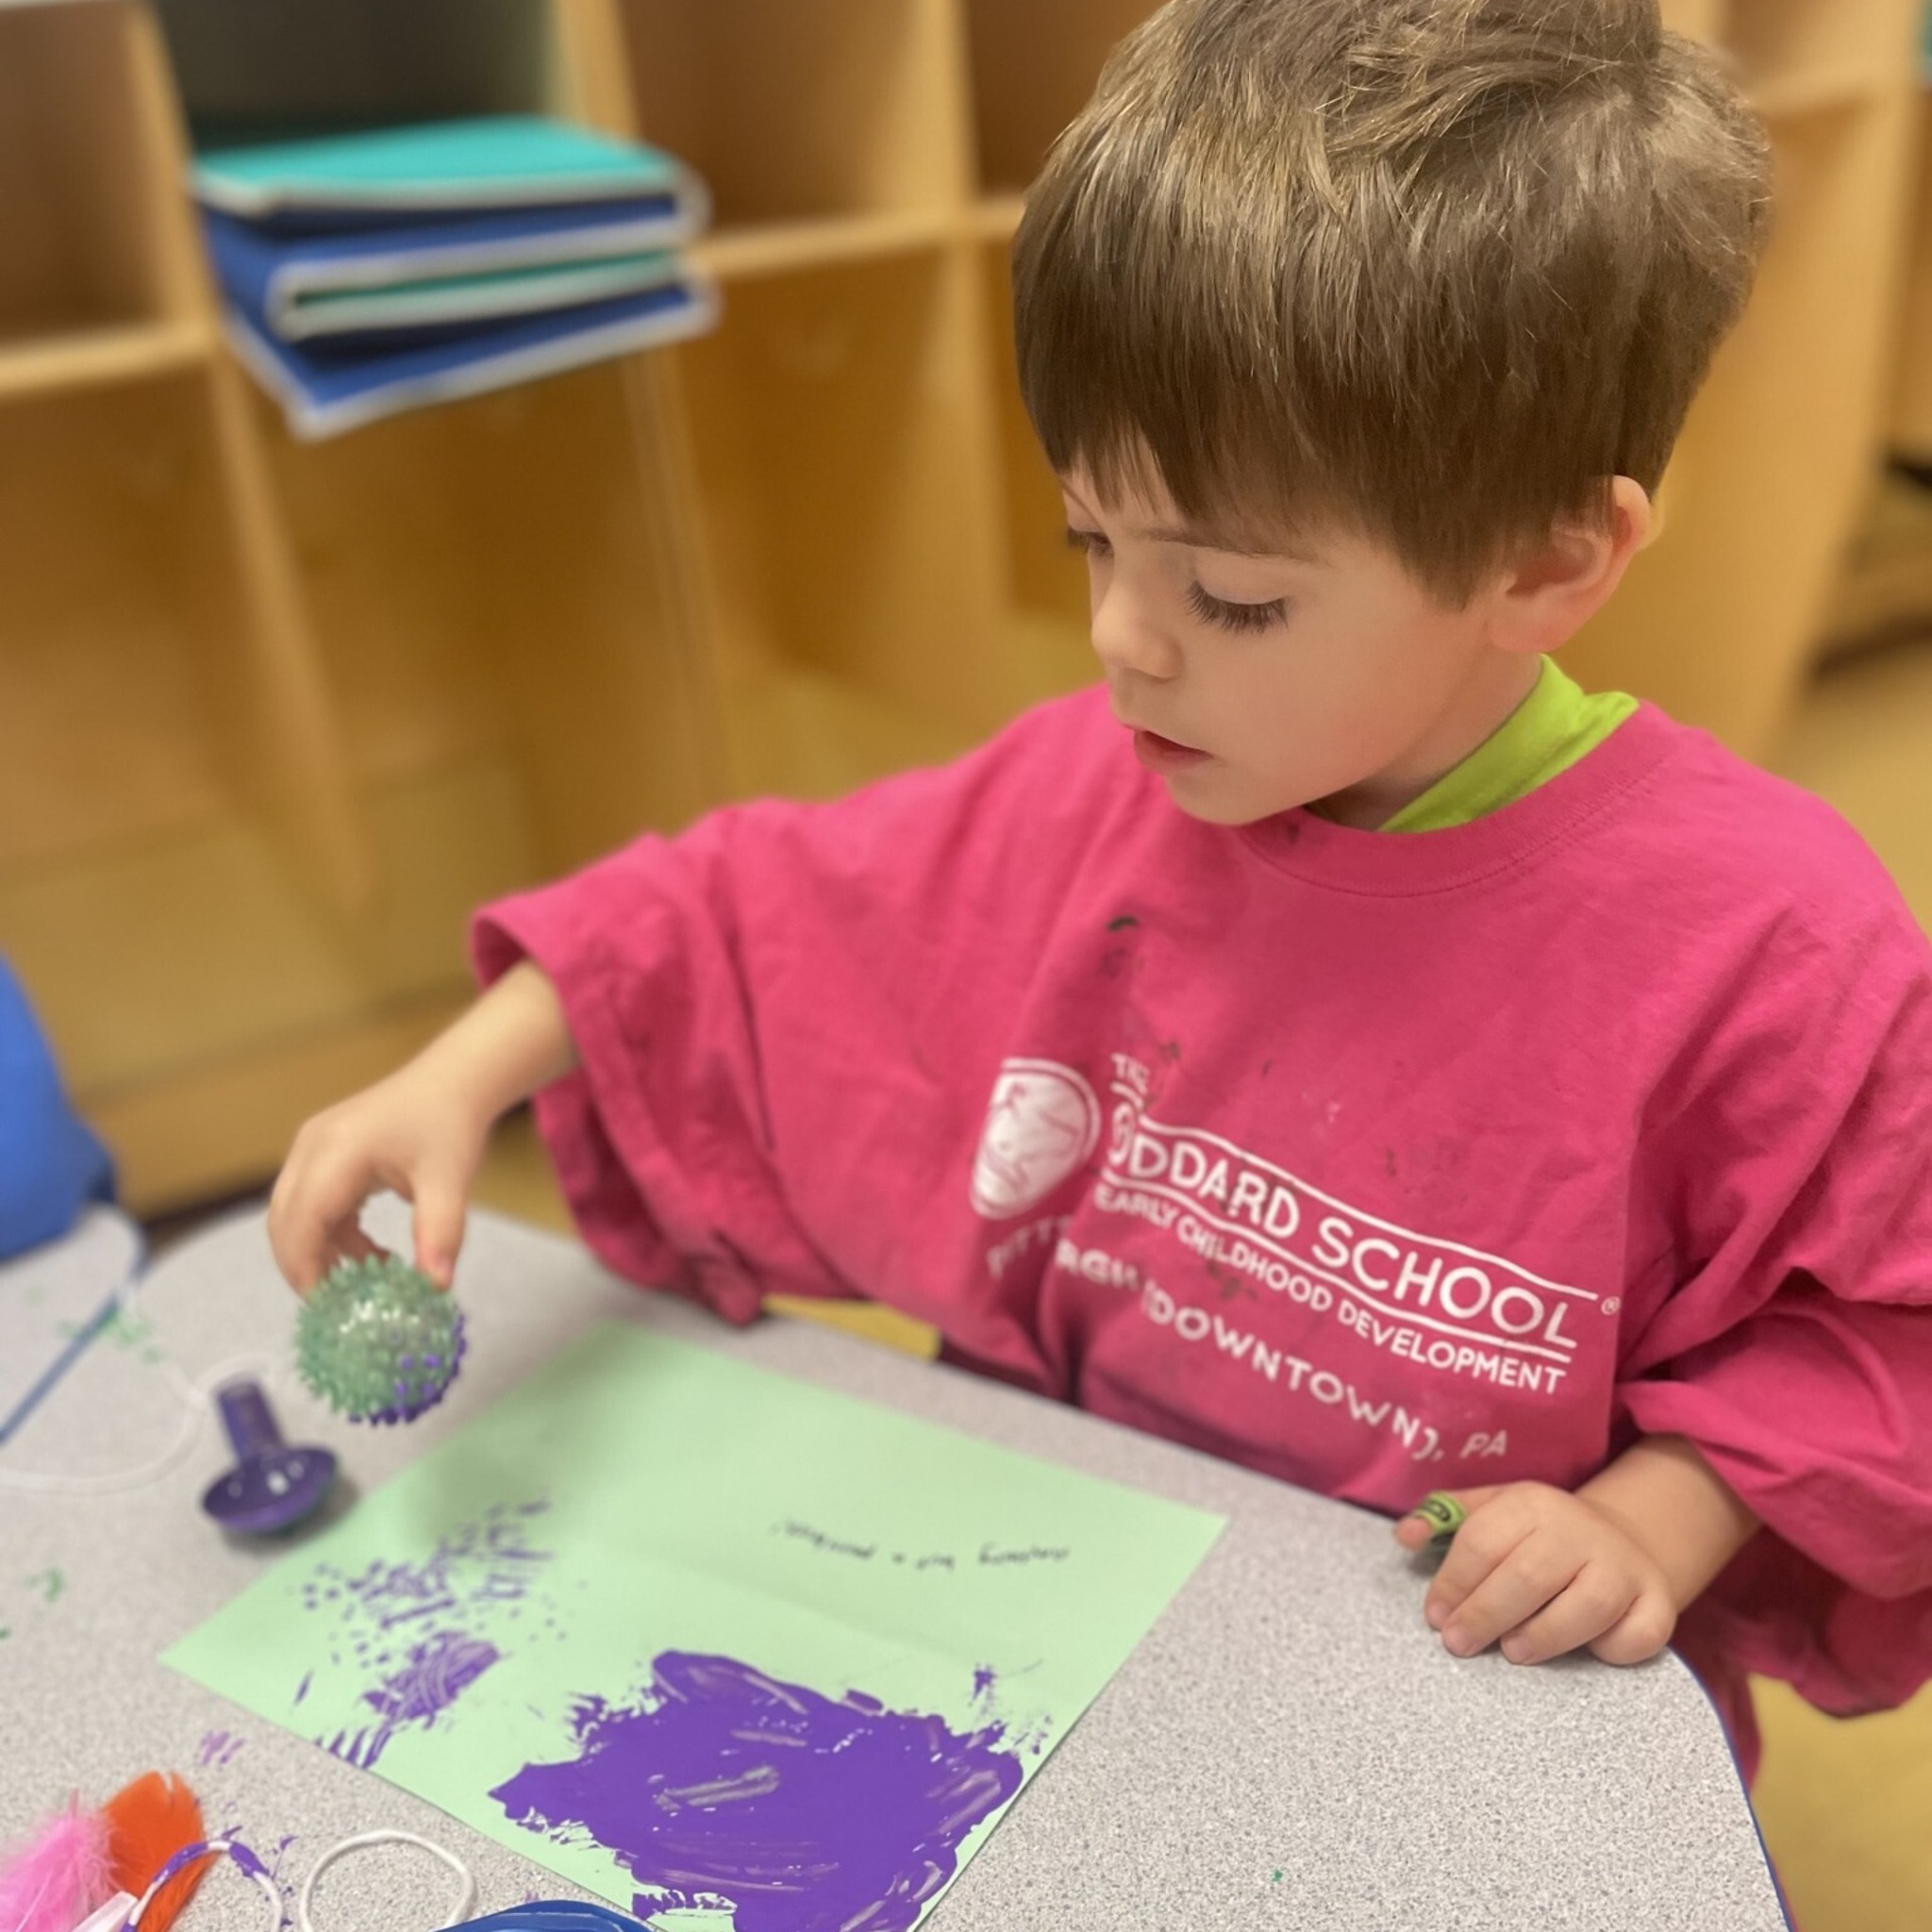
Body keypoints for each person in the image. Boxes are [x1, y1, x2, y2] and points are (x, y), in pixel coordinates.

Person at [267, 0, 1932, 1783]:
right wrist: (459, 1075)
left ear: (1545, 559)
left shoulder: (1772, 946)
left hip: (1445, 1715)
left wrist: (1656, 1521)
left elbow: (1875, 1338)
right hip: (1038, 1640)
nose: (1122, 641)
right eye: (1090, 538)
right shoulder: (1093, 791)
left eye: (1232, 595)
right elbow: (752, 918)